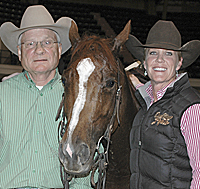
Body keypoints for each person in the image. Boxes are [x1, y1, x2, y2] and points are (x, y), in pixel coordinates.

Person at [0, 5, 97, 189]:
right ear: (19, 52)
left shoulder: (80, 96)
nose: (38, 50)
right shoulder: (1, 94)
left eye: (46, 42)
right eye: (30, 44)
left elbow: (89, 157)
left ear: (59, 50)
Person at [125, 20, 200, 189]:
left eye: (168, 54)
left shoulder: (191, 108)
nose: (159, 60)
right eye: (152, 53)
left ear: (179, 63)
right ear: (144, 62)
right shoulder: (147, 103)